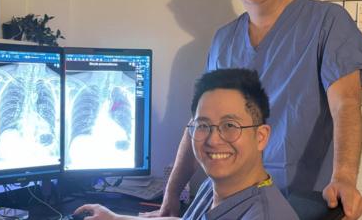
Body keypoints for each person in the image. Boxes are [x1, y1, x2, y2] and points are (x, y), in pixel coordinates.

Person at [149, 0, 362, 219]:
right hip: (228, 196)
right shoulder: (224, 40)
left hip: (299, 197)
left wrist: (344, 178)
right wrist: (171, 196)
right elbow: (199, 122)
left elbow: (346, 104)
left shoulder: (327, 22)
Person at [75, 68, 299, 219]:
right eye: (203, 125)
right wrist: (117, 218)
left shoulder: (262, 215)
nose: (213, 139)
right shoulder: (216, 187)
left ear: (261, 136)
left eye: (230, 125)